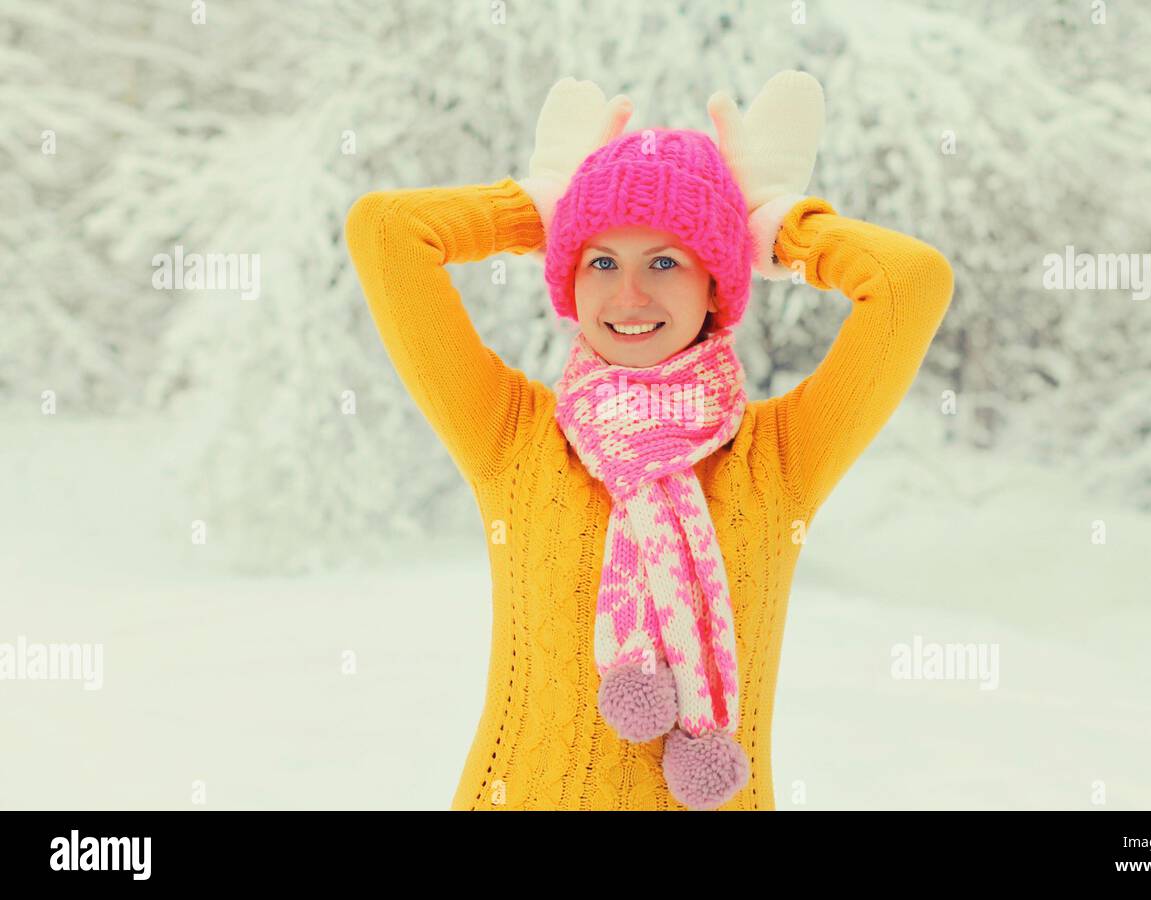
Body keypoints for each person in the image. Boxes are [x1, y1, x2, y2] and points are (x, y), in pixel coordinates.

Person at [344, 71, 954, 810]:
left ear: (715, 286)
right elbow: (386, 232)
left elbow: (911, 281)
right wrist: (539, 208)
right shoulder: (513, 438)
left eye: (666, 261)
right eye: (601, 261)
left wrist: (775, 225)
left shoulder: (779, 458)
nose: (629, 296)